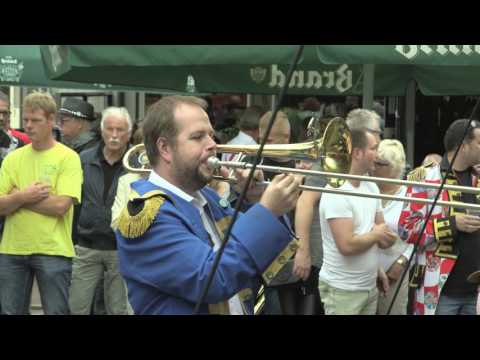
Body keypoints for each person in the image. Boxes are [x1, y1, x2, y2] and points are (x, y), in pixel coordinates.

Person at [115, 96, 302, 315]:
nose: (213, 144)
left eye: (211, 135)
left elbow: (254, 257)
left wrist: (256, 199)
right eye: (198, 137)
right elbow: (212, 280)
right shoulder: (149, 215)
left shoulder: (206, 198)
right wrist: (267, 211)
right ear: (165, 148)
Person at [0, 91, 82, 315]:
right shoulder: (13, 158)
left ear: (51, 121)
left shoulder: (68, 158)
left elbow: (60, 206)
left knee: (56, 311)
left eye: (35, 120)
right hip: (12, 249)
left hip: (53, 250)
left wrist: (17, 198)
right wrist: (25, 196)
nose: (28, 125)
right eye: (25, 119)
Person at [399, 119, 480, 315]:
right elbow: (406, 229)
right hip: (439, 290)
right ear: (463, 145)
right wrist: (452, 224)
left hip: (476, 293)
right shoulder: (425, 178)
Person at [318, 127, 396, 315]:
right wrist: (377, 235)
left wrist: (377, 267)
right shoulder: (336, 191)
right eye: (374, 148)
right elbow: (347, 246)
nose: (377, 155)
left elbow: (385, 238)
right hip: (343, 291)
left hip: (368, 287)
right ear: (358, 153)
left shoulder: (371, 185)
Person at [68, 107, 132, 315]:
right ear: (102, 131)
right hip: (87, 245)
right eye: (110, 129)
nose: (114, 135)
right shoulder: (84, 159)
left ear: (129, 133)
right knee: (77, 307)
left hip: (121, 248)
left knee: (119, 309)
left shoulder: (136, 163)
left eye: (120, 130)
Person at [372, 139, 413, 315]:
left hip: (395, 271)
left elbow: (420, 234)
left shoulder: (409, 194)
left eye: (381, 164)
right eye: (374, 162)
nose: (374, 167)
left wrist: (403, 262)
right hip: (364, 269)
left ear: (396, 168)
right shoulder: (365, 187)